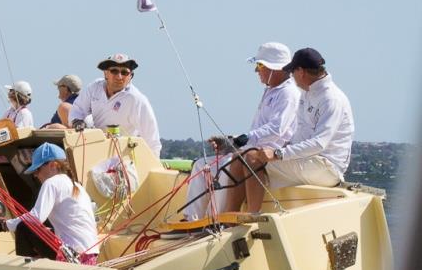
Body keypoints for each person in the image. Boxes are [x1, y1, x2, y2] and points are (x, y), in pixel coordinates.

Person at [225, 47, 354, 213]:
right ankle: (227, 222)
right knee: (240, 158)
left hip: (326, 167)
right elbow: (299, 136)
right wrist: (273, 151)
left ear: (300, 72)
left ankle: (253, 217)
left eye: (292, 72)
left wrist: (278, 154)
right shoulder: (307, 94)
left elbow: (319, 144)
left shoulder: (332, 99)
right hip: (308, 161)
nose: (291, 77)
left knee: (251, 159)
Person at [183, 42, 301, 220]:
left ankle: (218, 220)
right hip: (250, 150)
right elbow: (259, 131)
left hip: (269, 155)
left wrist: (242, 139)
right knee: (201, 165)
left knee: (225, 168)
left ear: (274, 68)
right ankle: (191, 219)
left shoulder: (289, 93)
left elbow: (277, 128)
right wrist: (231, 141)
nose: (256, 70)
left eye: (260, 65)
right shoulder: (271, 90)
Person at [0, 143, 99, 265]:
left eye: (37, 170)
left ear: (53, 165)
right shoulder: (77, 186)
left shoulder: (52, 183)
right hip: (89, 256)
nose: (35, 175)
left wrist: (2, 225)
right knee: (37, 228)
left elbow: (35, 218)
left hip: (74, 257)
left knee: (23, 228)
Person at [69, 53, 162, 159]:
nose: (119, 76)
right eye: (114, 71)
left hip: (123, 155)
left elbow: (151, 139)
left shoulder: (137, 99)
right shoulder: (94, 88)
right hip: (95, 147)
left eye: (124, 72)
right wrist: (76, 121)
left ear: (130, 76)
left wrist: (154, 165)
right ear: (105, 73)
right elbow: (77, 110)